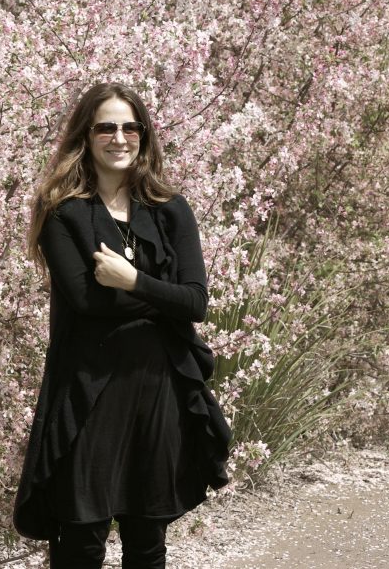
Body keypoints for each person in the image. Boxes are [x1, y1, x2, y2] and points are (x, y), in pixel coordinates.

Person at [13, 82, 232, 568]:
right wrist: (162, 297)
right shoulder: (62, 211)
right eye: (106, 127)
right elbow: (89, 302)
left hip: (158, 390)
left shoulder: (171, 210)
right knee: (81, 539)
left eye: (131, 126)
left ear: (144, 134)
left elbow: (195, 302)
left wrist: (133, 281)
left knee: (147, 538)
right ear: (86, 136)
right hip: (88, 391)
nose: (120, 137)